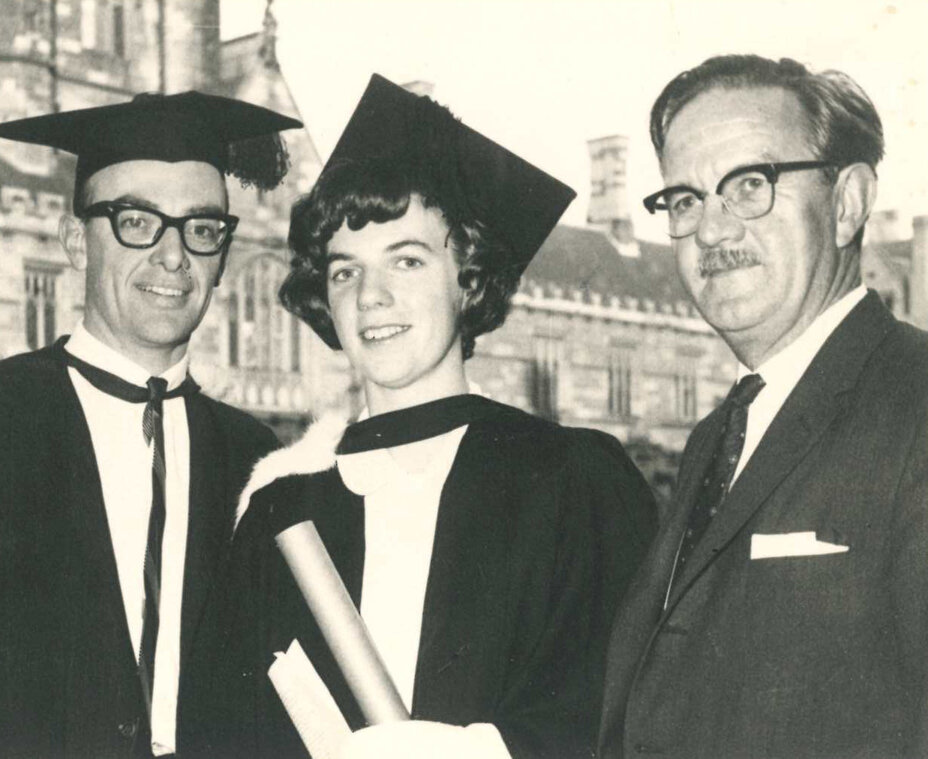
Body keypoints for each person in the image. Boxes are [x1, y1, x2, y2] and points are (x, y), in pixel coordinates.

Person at [197, 74, 658, 759]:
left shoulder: (574, 482)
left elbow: (635, 714)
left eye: (407, 260)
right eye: (345, 270)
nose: (370, 297)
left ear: (469, 277)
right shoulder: (282, 507)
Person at [0, 92, 300, 758]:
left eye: (201, 228)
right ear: (76, 242)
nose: (173, 255)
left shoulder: (255, 457)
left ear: (222, 256)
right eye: (137, 221)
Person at [598, 54, 928, 758]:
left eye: (750, 184)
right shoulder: (718, 437)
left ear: (847, 203)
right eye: (685, 200)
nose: (711, 230)